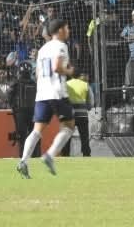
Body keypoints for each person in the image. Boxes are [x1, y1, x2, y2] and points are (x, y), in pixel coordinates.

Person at [17, 19, 77, 178]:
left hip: (42, 94)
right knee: (69, 126)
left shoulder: (43, 49)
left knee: (37, 130)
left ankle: (23, 161)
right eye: (67, 28)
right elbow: (57, 67)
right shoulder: (61, 45)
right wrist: (70, 71)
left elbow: (37, 74)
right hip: (57, 92)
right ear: (60, 30)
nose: (68, 31)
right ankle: (49, 156)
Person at [62, 75, 92, 158]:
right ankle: (86, 154)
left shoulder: (66, 84)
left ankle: (65, 155)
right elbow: (90, 104)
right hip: (82, 115)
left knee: (67, 137)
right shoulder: (85, 85)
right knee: (84, 137)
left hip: (69, 115)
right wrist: (88, 107)